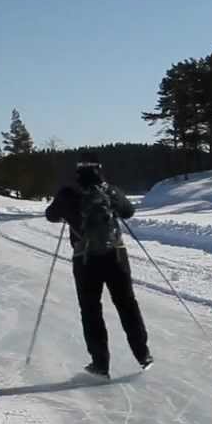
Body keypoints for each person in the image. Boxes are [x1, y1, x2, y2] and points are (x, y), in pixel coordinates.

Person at [45, 154, 152, 378]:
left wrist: (67, 211)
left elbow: (50, 215)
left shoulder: (68, 193)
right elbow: (129, 212)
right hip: (116, 256)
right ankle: (142, 354)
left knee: (91, 310)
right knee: (127, 304)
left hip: (85, 260)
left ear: (78, 172)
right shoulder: (110, 191)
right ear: (99, 171)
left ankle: (100, 364)